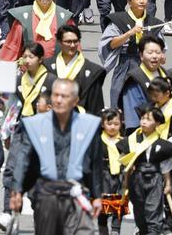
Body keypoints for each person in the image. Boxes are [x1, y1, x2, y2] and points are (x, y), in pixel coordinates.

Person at [9, 79, 104, 235]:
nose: (59, 100)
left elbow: (96, 163)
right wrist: (17, 189)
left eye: (64, 96)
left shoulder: (89, 125)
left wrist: (97, 196)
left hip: (77, 193)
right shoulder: (35, 124)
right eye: (56, 95)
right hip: (47, 194)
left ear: (75, 101)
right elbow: (24, 158)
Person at [118, 106, 172, 235]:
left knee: (153, 212)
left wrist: (168, 184)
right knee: (139, 213)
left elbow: (166, 166)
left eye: (148, 119)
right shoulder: (132, 140)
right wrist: (126, 181)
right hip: (136, 179)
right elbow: (124, 160)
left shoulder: (161, 144)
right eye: (142, 118)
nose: (144, 121)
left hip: (155, 178)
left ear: (157, 123)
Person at [114, 34, 172, 133]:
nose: (154, 56)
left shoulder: (167, 76)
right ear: (141, 56)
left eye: (158, 52)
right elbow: (133, 121)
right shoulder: (134, 79)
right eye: (150, 53)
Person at [0, 0, 75, 62]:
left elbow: (74, 50)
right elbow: (11, 50)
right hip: (28, 71)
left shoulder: (64, 18)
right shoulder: (24, 17)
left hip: (58, 71)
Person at [52, 26, 105, 115]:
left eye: (75, 41)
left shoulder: (92, 71)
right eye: (68, 42)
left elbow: (96, 106)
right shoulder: (47, 66)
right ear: (59, 42)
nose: (72, 45)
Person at [97, 109, 125, 235]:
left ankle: (115, 230)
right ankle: (103, 230)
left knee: (119, 204)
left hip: (120, 176)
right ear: (103, 124)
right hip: (103, 176)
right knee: (103, 208)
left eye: (116, 124)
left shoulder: (124, 141)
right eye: (109, 124)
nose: (113, 127)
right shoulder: (98, 141)